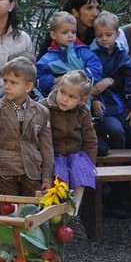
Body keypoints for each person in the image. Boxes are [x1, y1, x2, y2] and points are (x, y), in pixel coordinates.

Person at [0, 57, 53, 196]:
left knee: (32, 208)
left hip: (33, 172)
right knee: (8, 208)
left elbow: (46, 148)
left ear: (28, 87)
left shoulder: (42, 112)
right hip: (5, 172)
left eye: (13, 82)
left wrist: (47, 177)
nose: (7, 86)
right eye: (5, 81)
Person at [40, 70, 98, 215]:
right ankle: (56, 214)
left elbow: (90, 140)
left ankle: (73, 213)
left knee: (81, 172)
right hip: (53, 154)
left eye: (72, 97)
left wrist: (89, 163)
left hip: (75, 155)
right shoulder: (44, 107)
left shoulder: (83, 112)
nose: (64, 99)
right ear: (57, 88)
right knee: (59, 175)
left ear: (82, 100)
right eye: (62, 92)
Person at [89, 12, 131, 156]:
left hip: (121, 105)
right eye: (99, 35)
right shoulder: (91, 54)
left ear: (117, 34)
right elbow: (88, 81)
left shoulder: (122, 55)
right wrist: (94, 100)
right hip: (102, 107)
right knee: (114, 129)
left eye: (108, 35)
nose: (104, 39)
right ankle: (119, 162)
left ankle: (126, 162)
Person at [36, 12, 103, 97]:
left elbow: (97, 68)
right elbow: (38, 78)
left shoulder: (83, 52)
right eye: (65, 32)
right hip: (58, 99)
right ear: (53, 35)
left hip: (82, 98)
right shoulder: (48, 59)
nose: (70, 35)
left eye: (73, 32)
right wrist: (54, 80)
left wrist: (77, 77)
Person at [37, 0, 101, 57]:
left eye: (97, 8)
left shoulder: (100, 34)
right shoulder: (57, 34)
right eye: (89, 8)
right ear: (75, 12)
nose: (95, 13)